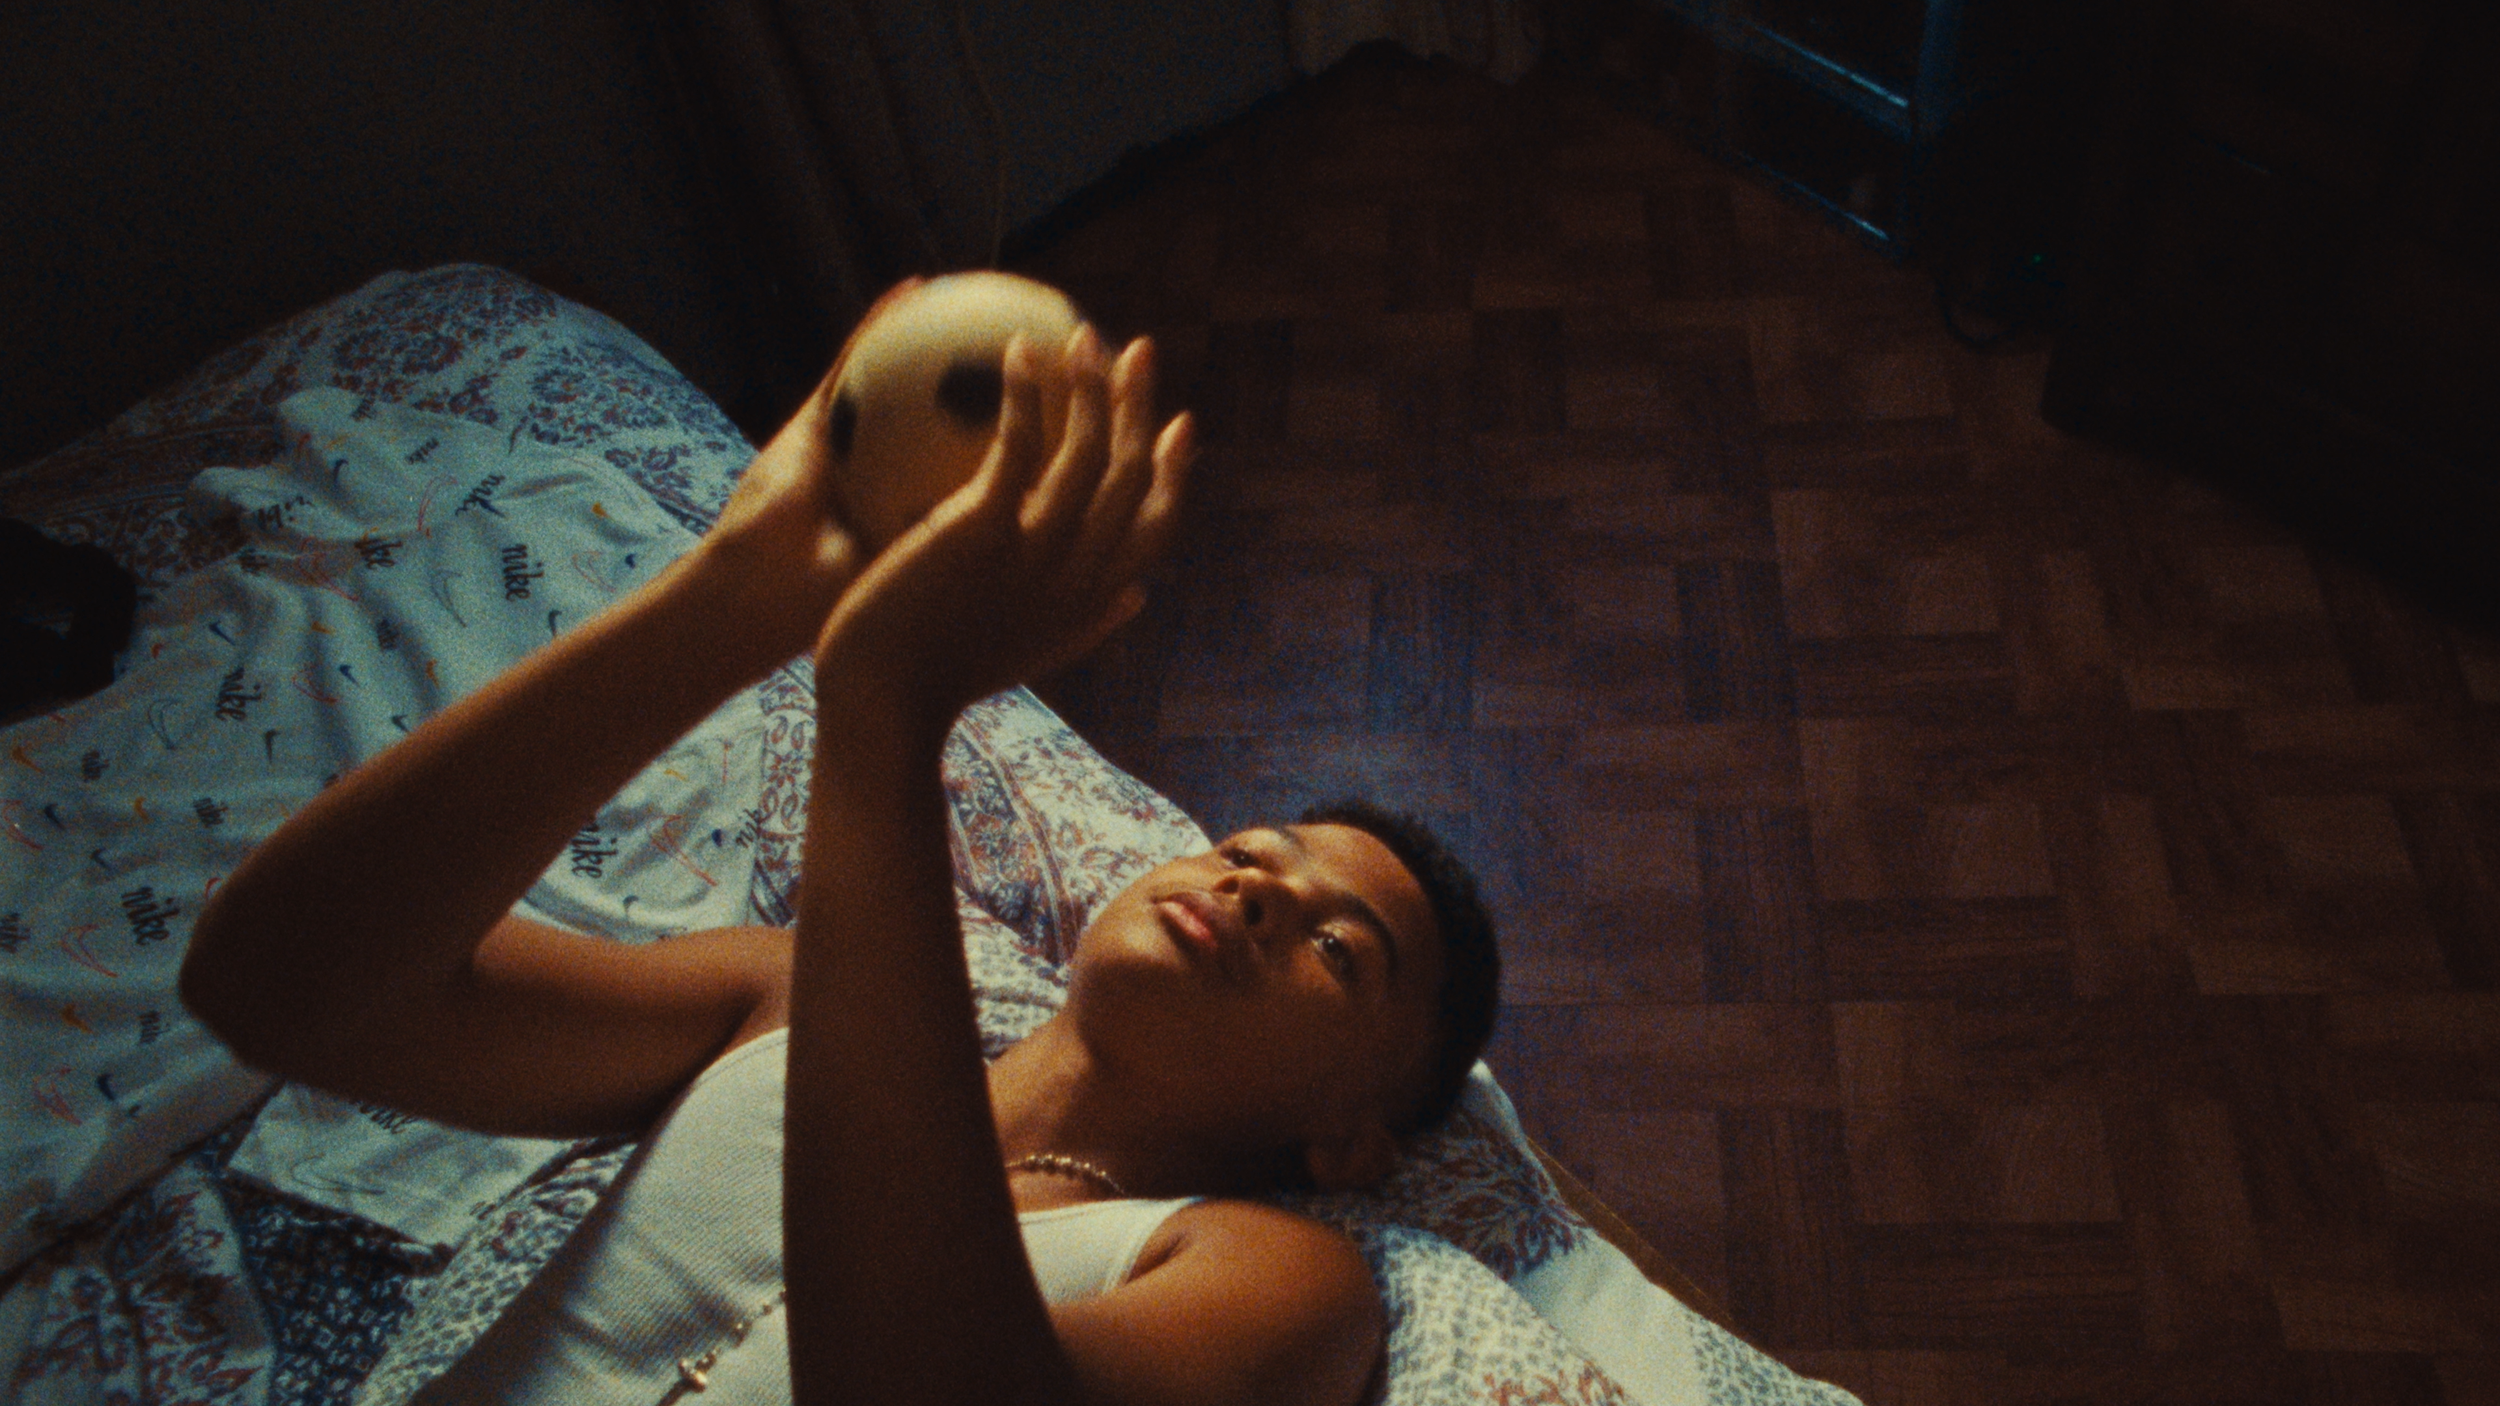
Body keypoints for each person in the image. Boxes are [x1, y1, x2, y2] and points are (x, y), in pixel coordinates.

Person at [179, 299, 1501, 1406]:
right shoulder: (796, 1003)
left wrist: (884, 711)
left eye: (1340, 946)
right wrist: (734, 597)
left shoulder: (1276, 1279)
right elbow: (275, 987)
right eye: (1249, 849)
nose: (1258, 889)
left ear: (1351, 1140)